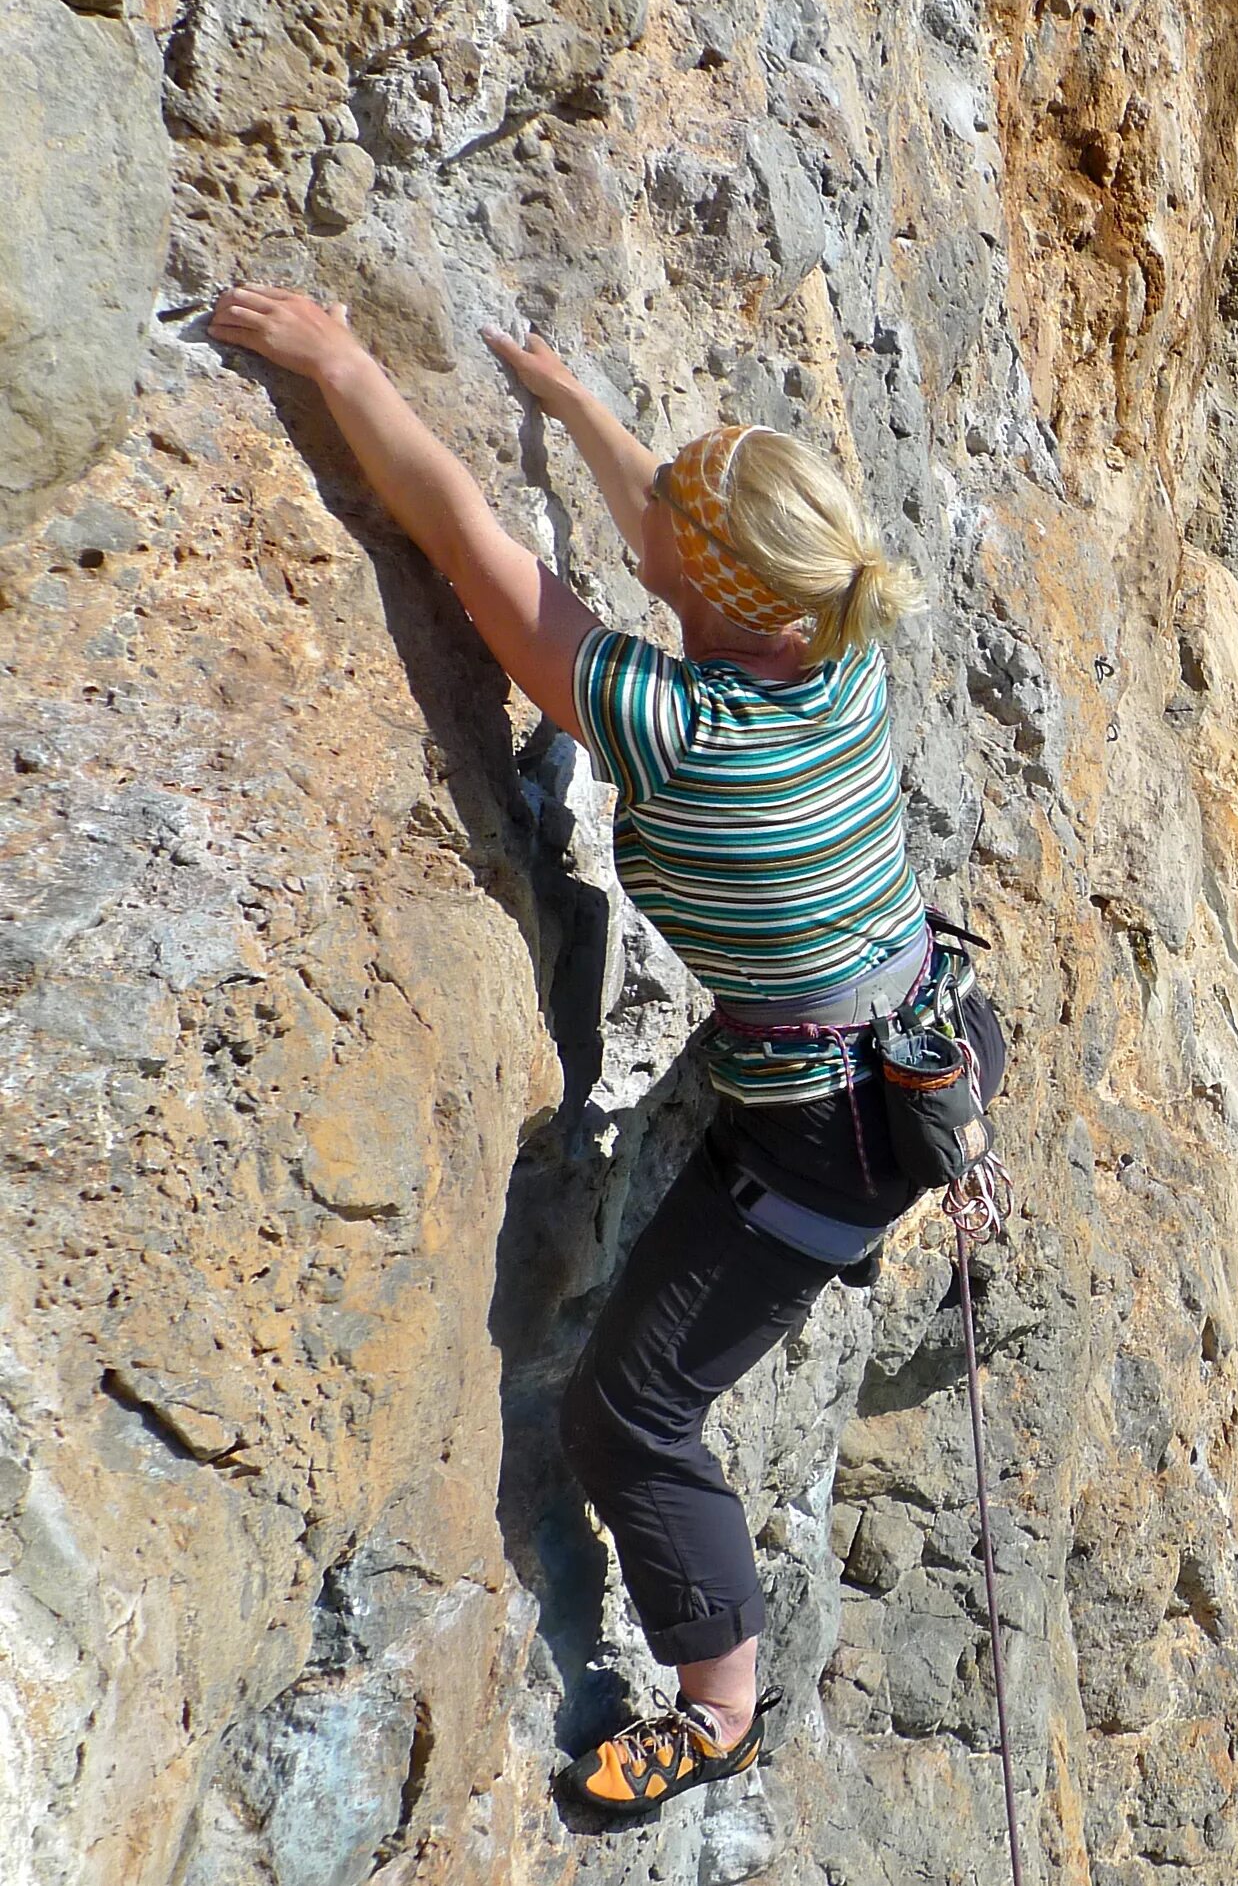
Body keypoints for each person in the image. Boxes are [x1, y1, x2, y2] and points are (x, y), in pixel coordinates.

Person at [206, 287, 994, 1816]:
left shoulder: (671, 722)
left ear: (712, 575)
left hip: (829, 1129)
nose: (648, 512)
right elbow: (673, 532)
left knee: (627, 1413)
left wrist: (341, 363)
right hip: (926, 1030)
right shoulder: (839, 650)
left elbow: (472, 554)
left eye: (673, 512)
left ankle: (719, 1704)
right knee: (668, 1308)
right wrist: (574, 409)